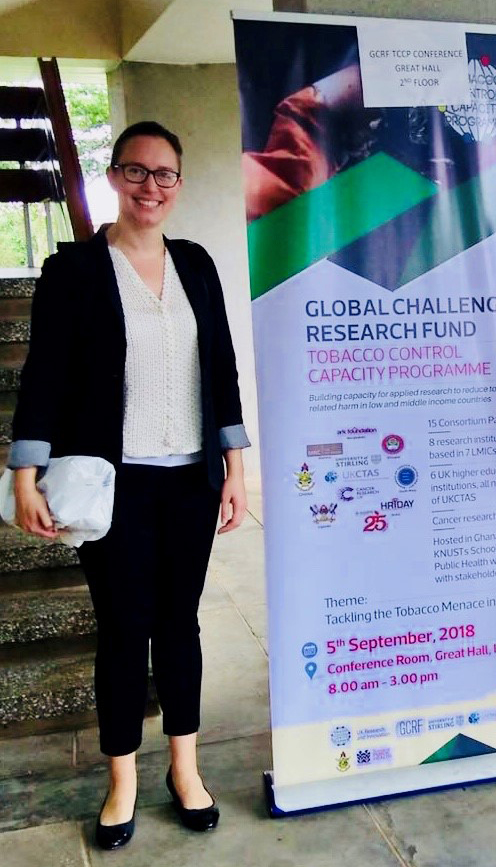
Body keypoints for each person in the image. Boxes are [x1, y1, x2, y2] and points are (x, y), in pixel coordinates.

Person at [9, 121, 250, 850]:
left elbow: (223, 370)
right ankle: (123, 778)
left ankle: (185, 766)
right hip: (115, 486)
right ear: (113, 177)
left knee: (180, 623)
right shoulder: (75, 271)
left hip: (190, 484)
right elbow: (44, 374)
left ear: (179, 183)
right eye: (137, 172)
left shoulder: (198, 265)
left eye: (166, 174)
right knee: (122, 629)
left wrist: (235, 463)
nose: (152, 186)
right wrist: (24, 472)